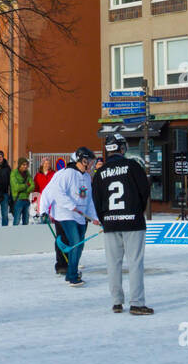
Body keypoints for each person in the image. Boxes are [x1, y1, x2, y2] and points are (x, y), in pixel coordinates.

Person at [91, 133, 152, 314]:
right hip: (132, 221)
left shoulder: (100, 172)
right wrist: (137, 211)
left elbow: (96, 199)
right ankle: (136, 303)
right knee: (134, 262)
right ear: (122, 148)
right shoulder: (132, 166)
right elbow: (144, 191)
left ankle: (116, 302)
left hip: (110, 223)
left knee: (113, 263)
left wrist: (104, 219)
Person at [39, 147, 98, 287]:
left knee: (79, 245)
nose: (91, 164)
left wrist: (94, 217)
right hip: (65, 214)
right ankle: (71, 275)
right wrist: (45, 211)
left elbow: (88, 200)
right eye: (89, 161)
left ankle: (72, 271)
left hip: (80, 216)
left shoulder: (87, 177)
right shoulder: (66, 174)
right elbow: (55, 192)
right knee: (75, 242)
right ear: (82, 160)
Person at [10, 157, 35, 226]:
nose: (25, 166)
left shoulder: (27, 173)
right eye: (23, 165)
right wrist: (26, 185)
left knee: (26, 221)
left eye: (26, 165)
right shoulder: (14, 173)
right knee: (17, 220)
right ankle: (14, 235)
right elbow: (16, 187)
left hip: (26, 199)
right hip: (18, 199)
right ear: (19, 165)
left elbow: (32, 185)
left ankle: (25, 235)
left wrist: (26, 190)